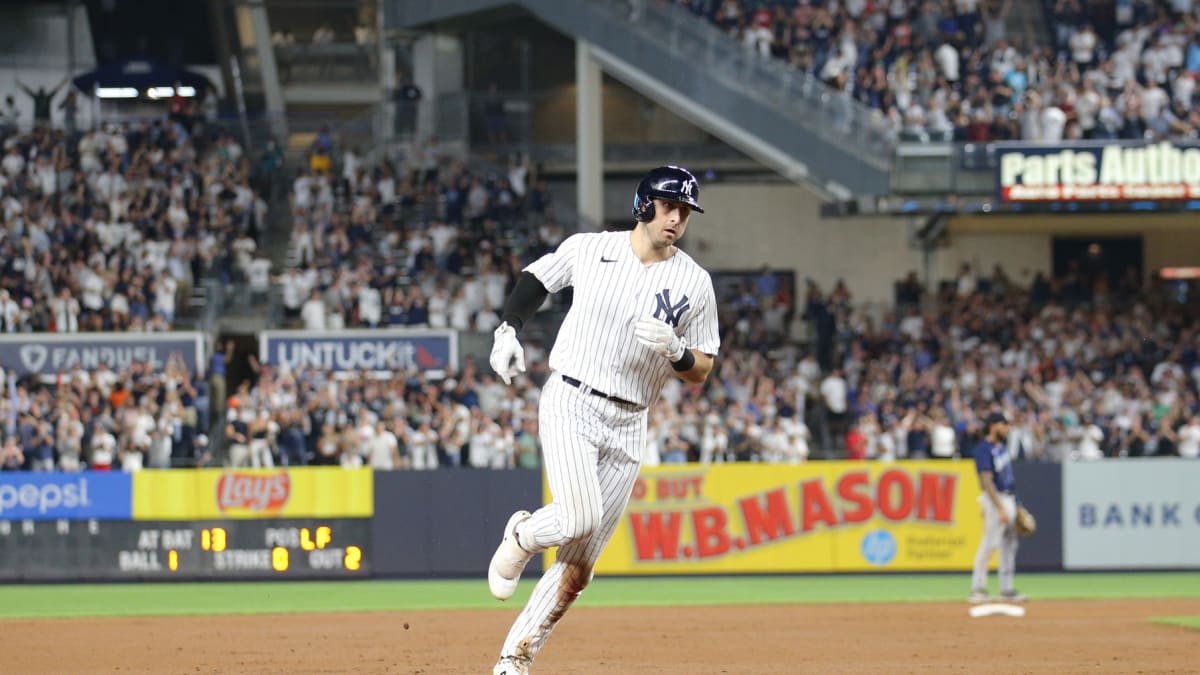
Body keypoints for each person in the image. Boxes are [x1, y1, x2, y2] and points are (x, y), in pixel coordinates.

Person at [486, 166, 720, 675]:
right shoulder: (591, 248)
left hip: (631, 419)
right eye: (667, 205)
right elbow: (537, 278)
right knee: (576, 516)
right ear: (643, 204)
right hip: (573, 396)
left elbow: (702, 367)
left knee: (579, 568)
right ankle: (523, 535)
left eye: (684, 210)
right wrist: (508, 329)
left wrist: (679, 352)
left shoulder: (695, 282)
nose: (676, 217)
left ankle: (513, 659)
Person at [969, 411, 1027, 604]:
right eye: (1004, 424)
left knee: (1010, 545)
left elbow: (1009, 479)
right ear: (993, 425)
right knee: (990, 543)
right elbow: (986, 481)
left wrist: (1017, 505)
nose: (1007, 428)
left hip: (1009, 498)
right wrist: (999, 507)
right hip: (995, 499)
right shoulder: (982, 449)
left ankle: (1007, 589)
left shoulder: (1002, 448)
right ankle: (977, 588)